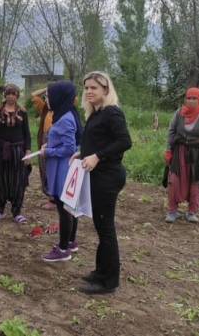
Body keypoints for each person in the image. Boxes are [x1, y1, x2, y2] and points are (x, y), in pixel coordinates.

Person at [76, 71, 131, 295]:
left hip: (108, 177)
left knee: (106, 229)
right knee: (101, 227)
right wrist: (81, 154)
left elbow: (124, 141)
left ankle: (109, 281)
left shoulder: (112, 113)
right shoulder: (95, 113)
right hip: (97, 176)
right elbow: (97, 141)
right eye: (87, 87)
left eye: (94, 88)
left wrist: (97, 156)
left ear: (106, 91)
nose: (89, 91)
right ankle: (101, 271)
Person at [40, 81, 83, 262]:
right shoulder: (65, 114)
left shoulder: (65, 119)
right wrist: (48, 145)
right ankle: (71, 241)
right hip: (63, 167)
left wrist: (48, 151)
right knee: (69, 208)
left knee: (64, 208)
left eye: (49, 96)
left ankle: (63, 249)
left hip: (63, 169)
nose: (46, 99)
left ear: (58, 97)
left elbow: (69, 148)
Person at [164, 87, 199, 224]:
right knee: (174, 181)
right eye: (189, 98)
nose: (191, 101)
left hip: (198, 155)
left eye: (194, 98)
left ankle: (192, 212)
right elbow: (171, 131)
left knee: (195, 182)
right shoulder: (179, 113)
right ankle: (172, 211)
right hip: (179, 153)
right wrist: (168, 150)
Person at [0, 84, 32, 223]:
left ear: (17, 96)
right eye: (8, 93)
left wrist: (28, 151)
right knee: (1, 179)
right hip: (2, 150)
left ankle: (17, 211)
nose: (11, 96)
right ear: (5, 95)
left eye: (14, 94)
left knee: (18, 180)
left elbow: (27, 134)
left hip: (18, 151)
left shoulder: (22, 112)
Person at [31, 87, 55, 210]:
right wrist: (47, 88)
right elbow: (34, 95)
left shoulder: (63, 110)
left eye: (49, 97)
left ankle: (54, 199)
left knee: (54, 169)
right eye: (46, 97)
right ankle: (50, 196)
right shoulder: (45, 108)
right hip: (44, 141)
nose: (47, 99)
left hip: (56, 143)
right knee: (44, 168)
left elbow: (73, 98)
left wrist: (55, 89)